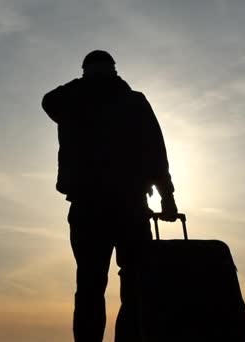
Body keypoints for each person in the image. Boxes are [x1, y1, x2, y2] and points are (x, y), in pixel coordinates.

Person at [42, 50, 178, 342]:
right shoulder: (130, 101)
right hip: (122, 206)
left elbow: (50, 100)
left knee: (98, 284)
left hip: (96, 207)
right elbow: (156, 153)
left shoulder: (75, 100)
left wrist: (85, 82)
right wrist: (167, 197)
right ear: (114, 71)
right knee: (127, 283)